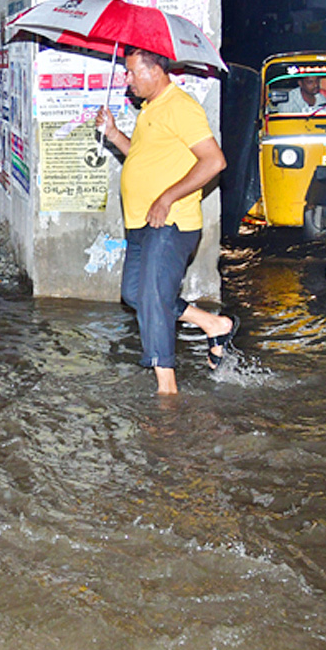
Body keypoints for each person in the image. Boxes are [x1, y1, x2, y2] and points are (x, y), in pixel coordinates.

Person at [95, 47, 239, 395]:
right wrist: (114, 134)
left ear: (156, 70)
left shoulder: (181, 107)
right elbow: (143, 157)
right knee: (135, 294)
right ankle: (213, 323)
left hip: (171, 223)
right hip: (142, 224)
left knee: (154, 298)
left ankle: (167, 390)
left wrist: (167, 197)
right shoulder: (149, 109)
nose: (126, 79)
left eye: (131, 72)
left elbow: (214, 161)